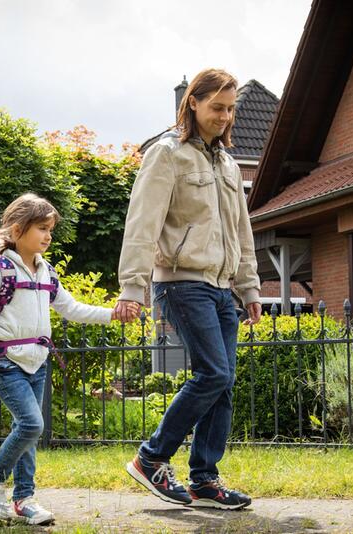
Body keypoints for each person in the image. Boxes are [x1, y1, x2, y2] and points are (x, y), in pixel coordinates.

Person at [115, 68, 262, 510]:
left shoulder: (229, 164)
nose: (225, 116)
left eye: (231, 108)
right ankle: (152, 458)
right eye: (217, 107)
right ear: (193, 103)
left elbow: (242, 230)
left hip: (222, 287)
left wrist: (250, 288)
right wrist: (131, 287)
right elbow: (143, 222)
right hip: (180, 282)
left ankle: (204, 480)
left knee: (225, 381)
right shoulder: (167, 155)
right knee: (213, 373)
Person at [0, 192, 137, 524]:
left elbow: (71, 309)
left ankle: (23, 500)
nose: (48, 236)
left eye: (50, 230)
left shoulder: (46, 273)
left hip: (37, 361)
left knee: (27, 430)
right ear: (17, 231)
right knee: (32, 425)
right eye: (42, 229)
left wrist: (112, 315)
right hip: (5, 361)